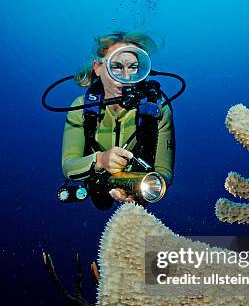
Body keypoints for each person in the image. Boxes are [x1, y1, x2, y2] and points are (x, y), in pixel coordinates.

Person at [61, 31, 175, 209]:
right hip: (97, 182)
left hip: (138, 184)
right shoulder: (81, 107)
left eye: (134, 67)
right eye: (116, 67)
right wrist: (100, 160)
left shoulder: (158, 109)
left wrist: (143, 189)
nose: (126, 77)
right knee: (101, 202)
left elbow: (164, 171)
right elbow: (68, 166)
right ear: (98, 68)